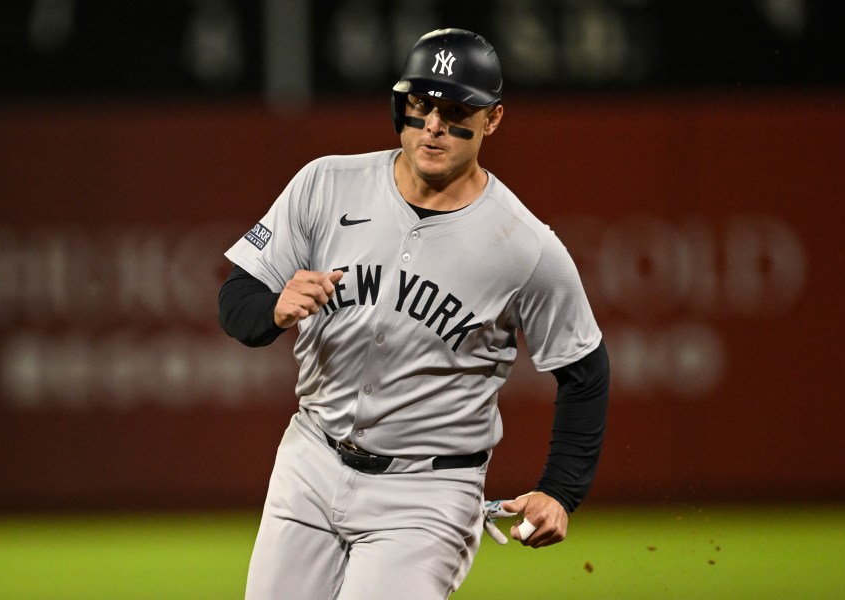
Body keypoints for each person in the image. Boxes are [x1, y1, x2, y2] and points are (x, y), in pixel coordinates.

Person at [218, 28, 609, 600]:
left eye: (455, 111)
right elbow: (237, 299)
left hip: (427, 490)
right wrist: (272, 308)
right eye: (420, 105)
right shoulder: (327, 183)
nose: (432, 125)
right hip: (311, 458)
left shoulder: (526, 246)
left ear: (492, 120)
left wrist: (560, 490)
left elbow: (585, 369)